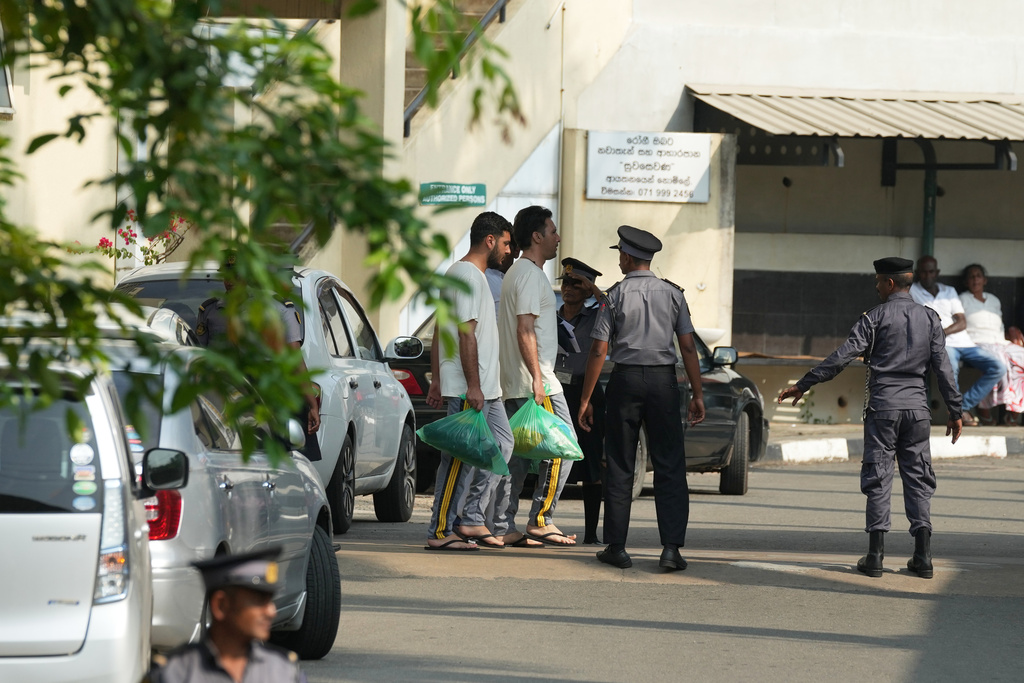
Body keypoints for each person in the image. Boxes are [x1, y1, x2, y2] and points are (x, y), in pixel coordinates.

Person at [779, 257, 963, 580]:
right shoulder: (930, 319)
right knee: (918, 479)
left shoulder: (874, 318)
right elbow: (943, 369)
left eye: (878, 282)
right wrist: (956, 411)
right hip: (918, 412)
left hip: (883, 410)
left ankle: (876, 556)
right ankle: (923, 557)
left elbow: (841, 357)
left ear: (890, 283)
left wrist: (804, 383)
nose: (876, 287)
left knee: (879, 478)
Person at [578, 225, 706, 571]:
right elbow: (689, 346)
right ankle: (671, 550)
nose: (618, 259)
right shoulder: (673, 294)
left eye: (619, 253)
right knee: (669, 464)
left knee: (620, 462)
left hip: (626, 381)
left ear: (626, 256)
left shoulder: (614, 296)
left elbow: (599, 350)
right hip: (665, 383)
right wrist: (697, 393)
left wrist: (586, 399)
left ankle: (617, 547)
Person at [424, 211, 515, 550]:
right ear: (489, 240)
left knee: (503, 445)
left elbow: (439, 332)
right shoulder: (465, 274)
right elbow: (464, 334)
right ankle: (439, 531)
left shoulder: (472, 276)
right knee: (458, 457)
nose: (508, 251)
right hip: (471, 387)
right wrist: (471, 386)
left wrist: (435, 379)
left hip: (486, 388)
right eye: (506, 243)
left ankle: (473, 519)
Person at [492, 205, 578, 547]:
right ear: (537, 236)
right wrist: (538, 379)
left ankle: (501, 523)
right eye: (553, 231)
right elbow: (524, 328)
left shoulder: (520, 273)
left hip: (517, 381)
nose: (558, 238)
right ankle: (541, 519)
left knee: (519, 455)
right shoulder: (528, 274)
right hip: (535, 381)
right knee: (563, 445)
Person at [196, 254, 321, 459]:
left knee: (291, 452)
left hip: (267, 390)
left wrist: (311, 403)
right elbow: (198, 356)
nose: (229, 281)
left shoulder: (277, 309)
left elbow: (294, 360)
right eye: (226, 275)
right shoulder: (210, 311)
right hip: (223, 392)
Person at [145, 548, 306, 683]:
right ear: (220, 605)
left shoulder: (285, 672)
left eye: (270, 601)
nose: (271, 612)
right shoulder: (174, 674)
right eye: (259, 601)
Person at [910, 256, 1004, 426]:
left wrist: (942, 332)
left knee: (998, 367)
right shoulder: (912, 291)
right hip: (943, 345)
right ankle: (957, 413)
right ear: (918, 273)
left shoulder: (949, 291)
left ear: (937, 272)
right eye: (923, 272)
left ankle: (960, 408)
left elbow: (962, 322)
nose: (927, 275)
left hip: (965, 342)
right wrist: (938, 337)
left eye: (931, 271)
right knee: (950, 371)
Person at [555, 257, 608, 545]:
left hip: (585, 394)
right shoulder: (551, 316)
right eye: (566, 282)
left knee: (590, 464)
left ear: (588, 289)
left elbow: (614, 309)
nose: (569, 288)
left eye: (577, 283)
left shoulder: (597, 314)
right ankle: (543, 522)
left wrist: (596, 290)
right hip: (556, 391)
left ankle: (591, 533)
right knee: (550, 458)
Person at [959, 264, 1024, 425]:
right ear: (967, 282)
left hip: (1000, 340)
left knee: (1021, 357)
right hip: (977, 342)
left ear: (985, 280)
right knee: (998, 361)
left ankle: (1014, 411)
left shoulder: (994, 300)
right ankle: (985, 411)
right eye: (971, 277)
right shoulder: (962, 299)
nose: (975, 279)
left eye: (978, 276)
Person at [485, 234, 520, 316]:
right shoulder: (486, 276)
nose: (503, 251)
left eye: (506, 245)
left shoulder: (515, 281)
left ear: (516, 251)